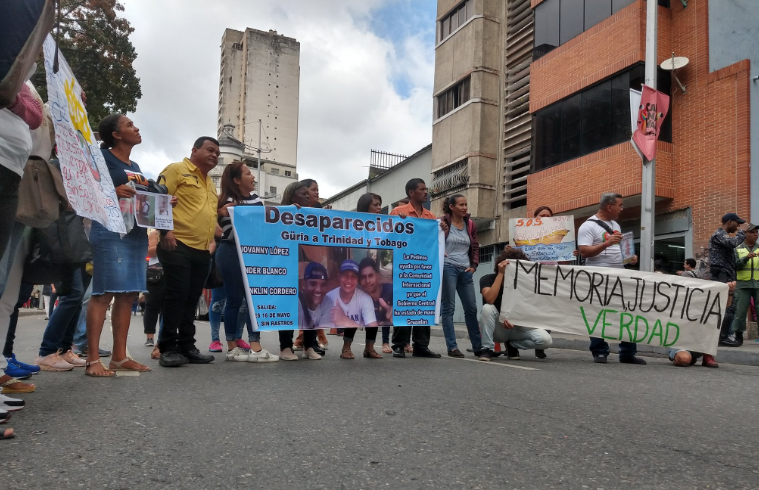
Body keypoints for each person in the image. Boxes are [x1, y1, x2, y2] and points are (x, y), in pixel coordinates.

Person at [84, 114, 154, 376]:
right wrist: (112, 192)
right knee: (103, 294)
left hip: (135, 232)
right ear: (115, 134)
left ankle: (119, 357)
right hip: (109, 229)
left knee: (128, 294)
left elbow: (140, 196)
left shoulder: (134, 164)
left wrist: (161, 203)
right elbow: (84, 189)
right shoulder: (101, 158)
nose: (136, 128)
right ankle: (92, 359)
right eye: (129, 125)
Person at [156, 137, 220, 367]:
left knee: (192, 299)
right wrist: (166, 233)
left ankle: (187, 346)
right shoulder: (176, 170)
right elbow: (158, 198)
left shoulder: (211, 184)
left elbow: (210, 216)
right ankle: (167, 348)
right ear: (194, 150)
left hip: (202, 249)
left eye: (217, 153)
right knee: (177, 296)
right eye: (210, 150)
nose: (215, 155)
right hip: (177, 243)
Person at [217, 161, 278, 362]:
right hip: (230, 252)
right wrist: (220, 213)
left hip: (253, 254)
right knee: (234, 299)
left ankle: (255, 346)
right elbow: (211, 224)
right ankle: (232, 347)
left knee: (254, 300)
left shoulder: (257, 200)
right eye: (248, 173)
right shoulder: (224, 202)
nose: (253, 177)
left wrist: (292, 212)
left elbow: (266, 224)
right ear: (236, 180)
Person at [577, 193, 647, 365]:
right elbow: (584, 252)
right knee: (599, 313)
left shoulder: (615, 224)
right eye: (620, 205)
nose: (622, 209)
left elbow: (619, 250)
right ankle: (600, 351)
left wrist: (629, 258)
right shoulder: (588, 226)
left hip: (619, 274)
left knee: (627, 311)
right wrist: (606, 244)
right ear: (610, 207)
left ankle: (628, 352)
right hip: (598, 276)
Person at [389, 178, 442, 359]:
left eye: (426, 189)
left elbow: (436, 241)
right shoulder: (399, 212)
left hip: (424, 267)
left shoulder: (430, 217)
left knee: (422, 305)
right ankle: (399, 344)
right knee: (405, 305)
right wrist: (398, 223)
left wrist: (443, 228)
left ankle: (421, 345)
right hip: (405, 266)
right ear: (411, 193)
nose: (426, 192)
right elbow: (388, 235)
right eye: (422, 189)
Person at [478, 247, 552, 361]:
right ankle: (487, 348)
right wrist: (500, 274)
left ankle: (513, 345)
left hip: (518, 326)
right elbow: (490, 299)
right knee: (487, 308)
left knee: (545, 340)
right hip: (499, 329)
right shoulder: (487, 279)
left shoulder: (523, 284)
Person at [278, 181, 323, 360]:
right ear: (291, 196)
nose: (307, 196)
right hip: (287, 266)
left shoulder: (314, 215)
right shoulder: (282, 214)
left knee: (311, 304)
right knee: (288, 306)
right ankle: (285, 347)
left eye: (308, 193)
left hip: (307, 268)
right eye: (303, 193)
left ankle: (309, 345)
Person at [439, 194, 482, 358]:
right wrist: (442, 231)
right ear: (451, 207)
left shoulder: (470, 224)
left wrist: (474, 266)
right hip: (448, 267)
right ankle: (452, 347)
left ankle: (478, 347)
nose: (464, 208)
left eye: (466, 204)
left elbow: (475, 246)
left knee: (471, 308)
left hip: (465, 270)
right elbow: (434, 240)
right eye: (461, 205)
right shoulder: (443, 223)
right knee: (448, 308)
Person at [669, 282, 735, 368]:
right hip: (681, 344)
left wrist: (730, 292)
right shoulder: (678, 304)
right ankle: (681, 358)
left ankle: (707, 355)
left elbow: (723, 305)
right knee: (684, 360)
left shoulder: (706, 305)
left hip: (701, 345)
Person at [356, 192, 392, 353]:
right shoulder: (352, 225)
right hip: (359, 268)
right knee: (355, 314)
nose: (379, 208)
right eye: (375, 205)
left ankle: (370, 347)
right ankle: (346, 347)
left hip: (373, 271)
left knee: (374, 314)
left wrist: (405, 222)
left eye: (380, 205)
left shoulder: (384, 226)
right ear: (365, 207)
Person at [326, 260, 380, 359]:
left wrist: (345, 320)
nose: (349, 280)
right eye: (345, 275)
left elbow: (372, 324)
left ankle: (369, 348)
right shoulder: (328, 297)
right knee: (353, 316)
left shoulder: (365, 298)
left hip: (363, 306)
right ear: (339, 277)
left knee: (365, 317)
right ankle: (346, 348)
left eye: (353, 276)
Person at [711, 213, 748, 347]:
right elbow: (732, 243)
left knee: (730, 307)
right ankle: (722, 337)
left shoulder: (723, 235)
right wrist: (743, 231)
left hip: (727, 275)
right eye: (737, 223)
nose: (738, 226)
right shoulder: (718, 235)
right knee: (727, 306)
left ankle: (723, 335)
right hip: (722, 275)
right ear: (729, 222)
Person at [292, 262, 333, 361]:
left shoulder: (327, 301)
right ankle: (285, 348)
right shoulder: (295, 302)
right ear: (304, 284)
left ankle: (309, 347)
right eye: (313, 283)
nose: (318, 290)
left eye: (323, 285)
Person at [729, 223, 759, 346]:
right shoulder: (737, 249)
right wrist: (746, 258)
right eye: (752, 232)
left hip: (758, 284)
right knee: (740, 312)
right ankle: (738, 336)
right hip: (742, 285)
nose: (756, 234)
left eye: (756, 232)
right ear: (745, 234)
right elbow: (734, 266)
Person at [358, 257, 393, 355]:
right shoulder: (358, 295)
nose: (367, 281)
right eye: (363, 277)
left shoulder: (391, 290)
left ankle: (388, 344)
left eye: (370, 276)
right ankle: (366, 348)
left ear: (377, 276)